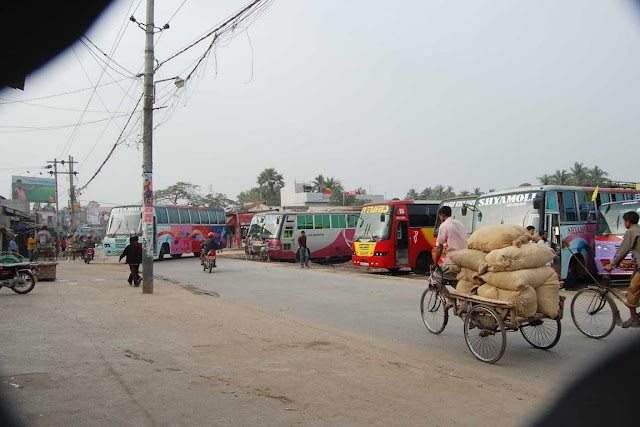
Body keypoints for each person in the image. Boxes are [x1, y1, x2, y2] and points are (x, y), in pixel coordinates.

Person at [604, 211, 640, 328]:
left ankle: (633, 319)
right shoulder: (638, 230)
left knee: (632, 291)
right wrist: (632, 262)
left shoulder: (630, 232)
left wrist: (613, 264)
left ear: (628, 222)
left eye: (625, 221)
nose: (625, 223)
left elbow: (622, 251)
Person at [431, 206, 467, 280]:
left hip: (452, 262)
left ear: (442, 215)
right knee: (454, 280)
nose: (440, 219)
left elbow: (440, 247)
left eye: (440, 217)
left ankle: (447, 292)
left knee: (436, 276)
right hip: (464, 259)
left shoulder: (444, 225)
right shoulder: (460, 224)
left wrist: (435, 264)